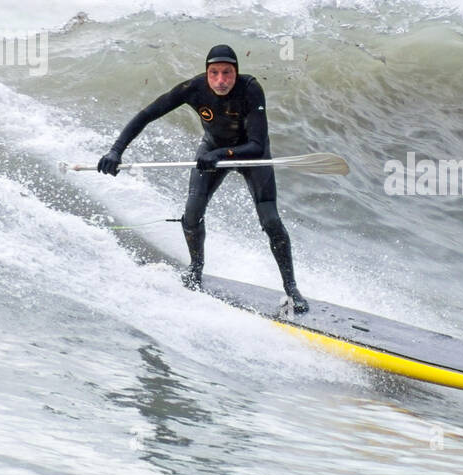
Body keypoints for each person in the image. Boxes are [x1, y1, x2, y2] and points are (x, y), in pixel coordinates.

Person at [96, 44, 308, 313]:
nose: (221, 80)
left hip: (251, 156)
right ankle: (195, 270)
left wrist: (224, 153)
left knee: (271, 221)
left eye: (227, 73)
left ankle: (292, 289)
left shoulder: (251, 89)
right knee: (192, 213)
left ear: (236, 73)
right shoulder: (193, 89)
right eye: (215, 73)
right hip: (212, 151)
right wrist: (116, 151)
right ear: (207, 73)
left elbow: (255, 144)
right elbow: (147, 115)